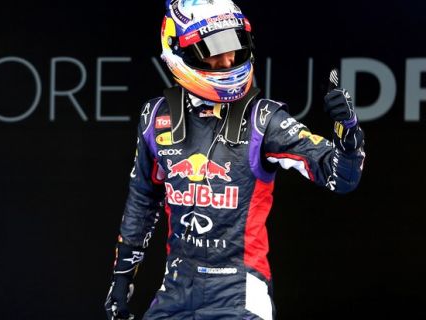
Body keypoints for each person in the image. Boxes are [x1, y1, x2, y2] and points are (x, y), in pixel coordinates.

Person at [105, 0, 365, 319]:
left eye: (234, 45)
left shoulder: (264, 119)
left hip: (240, 294)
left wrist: (348, 134)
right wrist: (121, 281)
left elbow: (342, 178)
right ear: (178, 52)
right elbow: (143, 201)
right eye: (213, 50)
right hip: (175, 291)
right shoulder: (155, 117)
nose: (228, 58)